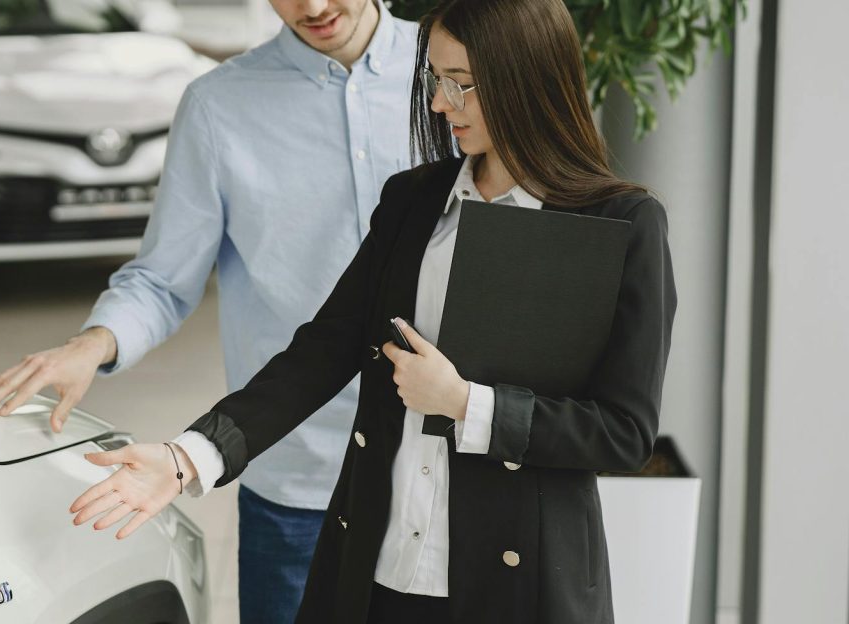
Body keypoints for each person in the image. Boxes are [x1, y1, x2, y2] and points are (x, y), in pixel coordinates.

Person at [66, 0, 679, 621]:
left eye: (461, 85)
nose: (441, 105)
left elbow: (623, 432)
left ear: (527, 77)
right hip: (377, 571)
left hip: (516, 588)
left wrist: (467, 404)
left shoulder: (621, 225)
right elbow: (322, 350)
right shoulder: (414, 202)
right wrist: (186, 457)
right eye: (435, 82)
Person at [0, 0, 418, 620]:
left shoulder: (457, 76)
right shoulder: (218, 106)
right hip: (296, 471)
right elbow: (162, 278)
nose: (311, 8)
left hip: (442, 463)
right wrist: (91, 344)